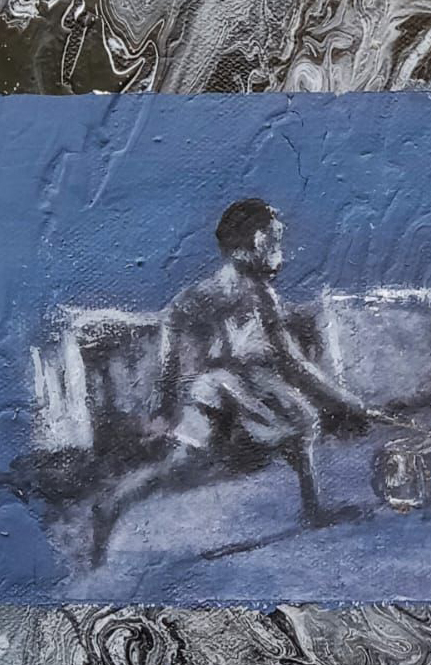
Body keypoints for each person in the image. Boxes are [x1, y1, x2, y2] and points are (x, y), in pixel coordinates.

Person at [90, 199, 376, 566]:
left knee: (192, 462)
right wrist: (344, 400)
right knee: (294, 426)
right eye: (274, 241)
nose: (280, 252)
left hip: (219, 388)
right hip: (236, 388)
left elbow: (172, 328)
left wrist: (165, 398)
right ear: (255, 242)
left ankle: (113, 504)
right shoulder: (259, 295)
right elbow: (292, 362)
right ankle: (313, 510)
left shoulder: (205, 292)